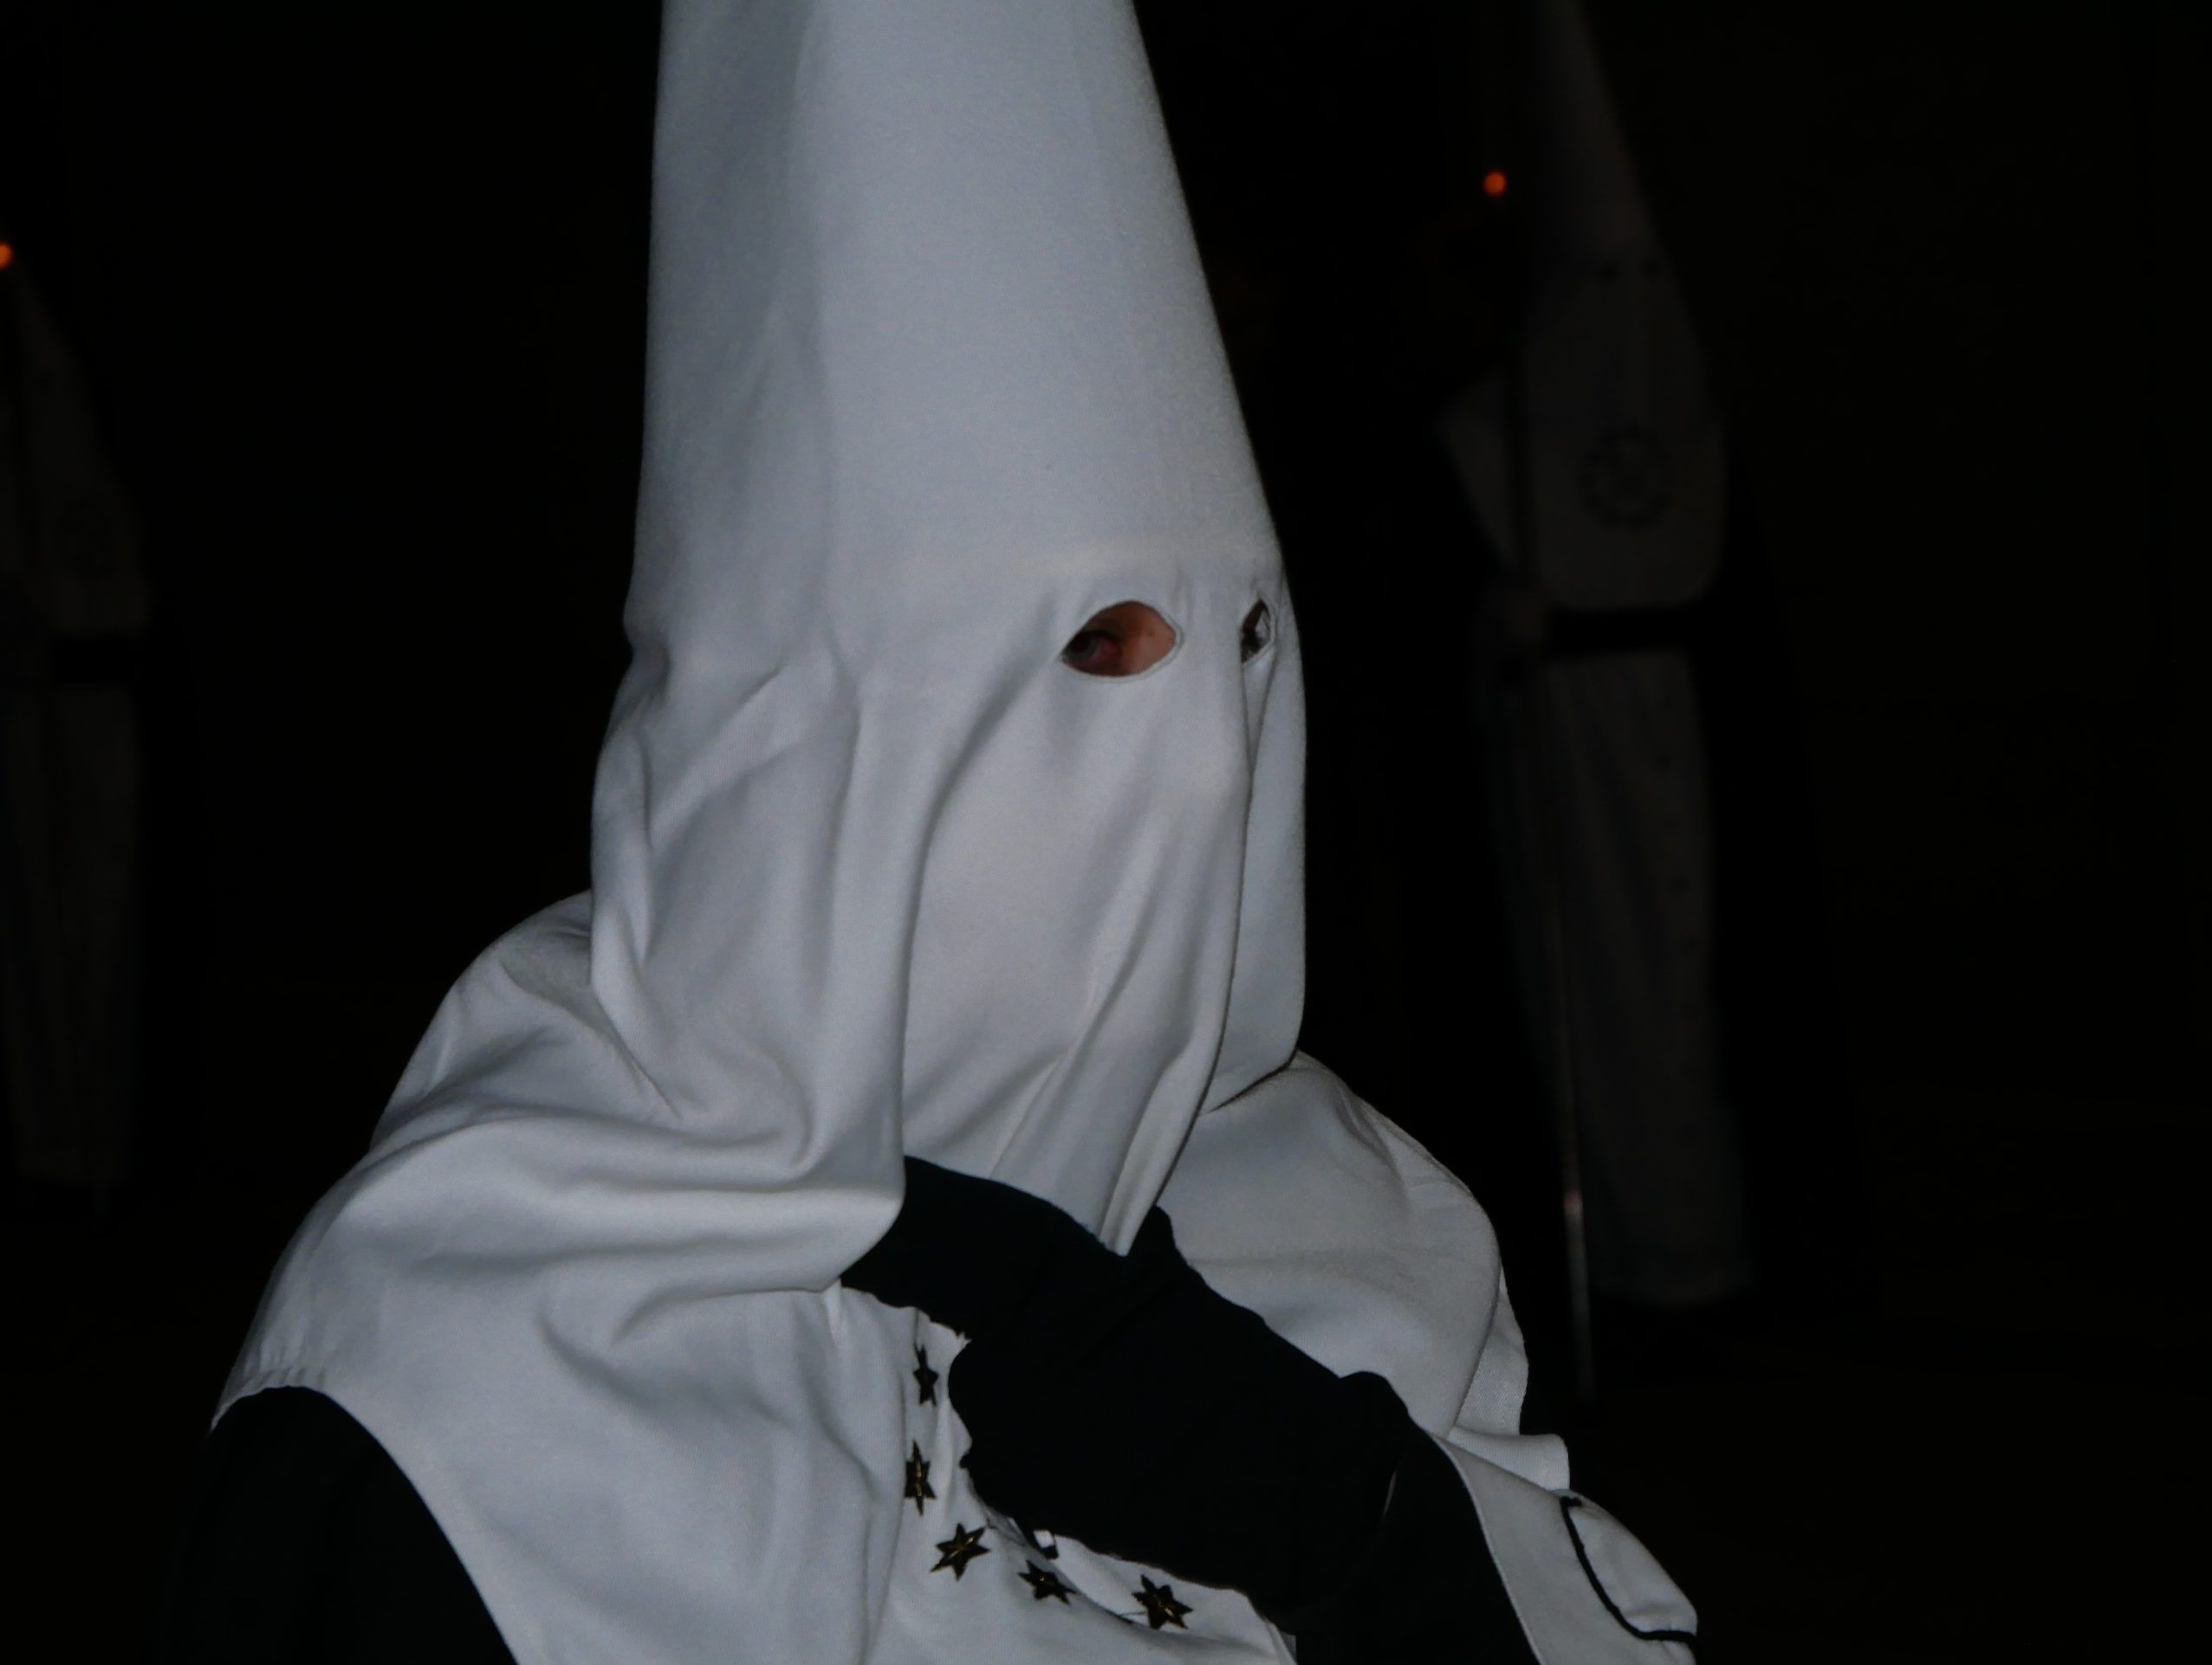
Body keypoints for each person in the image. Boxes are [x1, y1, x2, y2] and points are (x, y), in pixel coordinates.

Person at [152, 3, 1696, 1660]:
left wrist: (1357, 1529)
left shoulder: (1328, 1218)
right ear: (798, 728)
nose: (1190, 764)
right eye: (1091, 651)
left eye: (1239, 653)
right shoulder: (457, 1382)